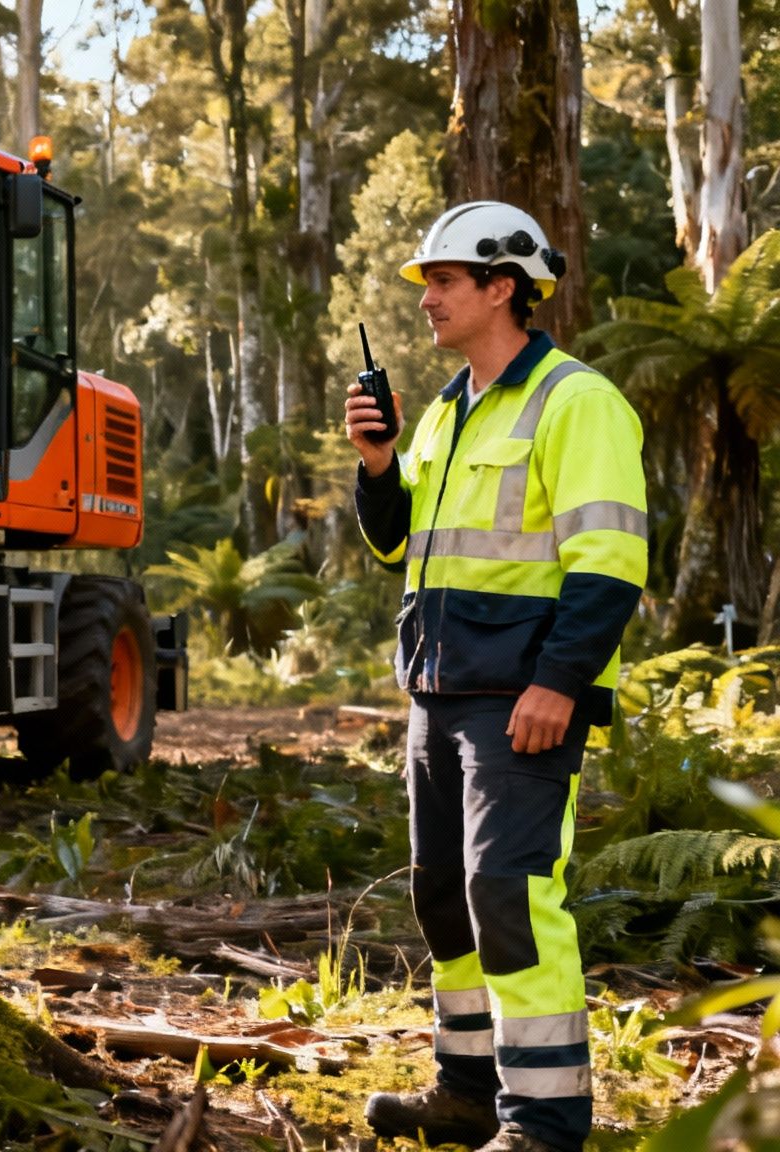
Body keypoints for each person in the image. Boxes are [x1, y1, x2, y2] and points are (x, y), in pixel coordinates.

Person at [346, 201, 647, 1152]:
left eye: (443, 281)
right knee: (445, 894)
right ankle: (466, 1091)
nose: (427, 298)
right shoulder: (444, 408)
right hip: (437, 694)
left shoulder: (576, 401)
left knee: (512, 896)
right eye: (428, 284)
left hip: (521, 700)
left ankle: (545, 1123)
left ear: (501, 286)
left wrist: (559, 682)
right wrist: (378, 463)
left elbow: (609, 562)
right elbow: (399, 543)